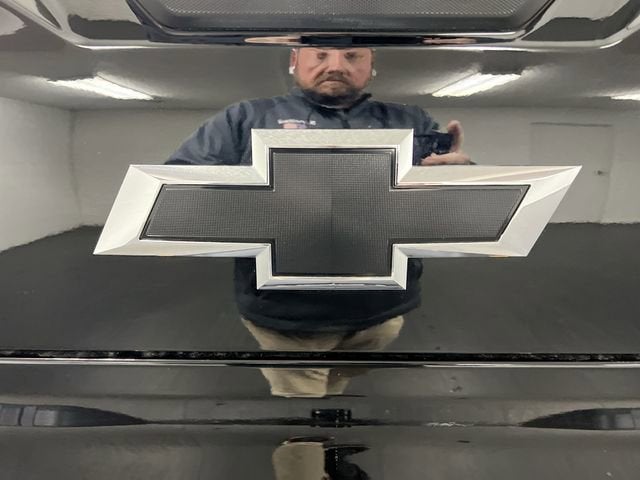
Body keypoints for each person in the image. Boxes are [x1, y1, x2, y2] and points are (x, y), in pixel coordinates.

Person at [166, 48, 471, 395]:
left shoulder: (411, 121)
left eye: (352, 56)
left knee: (340, 385)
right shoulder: (245, 118)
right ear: (294, 61)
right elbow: (181, 188)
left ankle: (331, 410)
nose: (336, 66)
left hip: (382, 311)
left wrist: (459, 177)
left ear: (371, 65)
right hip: (288, 318)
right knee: (301, 405)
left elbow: (445, 208)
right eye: (321, 55)